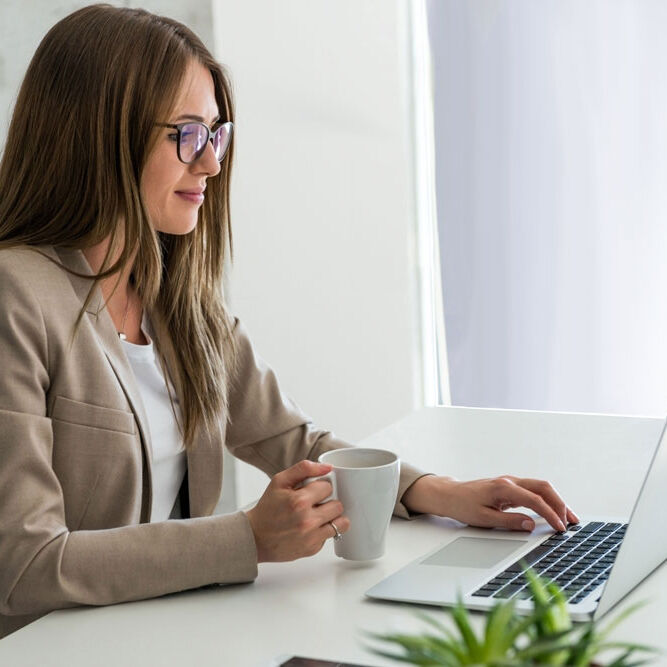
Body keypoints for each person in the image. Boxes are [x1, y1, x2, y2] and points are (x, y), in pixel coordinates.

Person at [0, 4, 578, 639]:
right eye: (187, 134)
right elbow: (22, 563)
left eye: (216, 134)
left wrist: (437, 492)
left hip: (162, 635)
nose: (212, 164)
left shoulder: (173, 296)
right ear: (102, 136)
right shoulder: (16, 296)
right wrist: (246, 537)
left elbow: (294, 442)